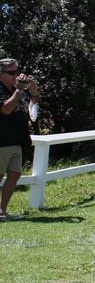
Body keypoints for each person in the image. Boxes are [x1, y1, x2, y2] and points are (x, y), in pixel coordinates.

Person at [0, 58, 39, 221]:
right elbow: (6, 109)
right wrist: (19, 90)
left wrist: (34, 92)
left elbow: (32, 113)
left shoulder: (17, 90)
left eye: (16, 72)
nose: (16, 76)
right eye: (11, 73)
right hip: (1, 141)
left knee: (15, 175)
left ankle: (2, 211)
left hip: (16, 140)